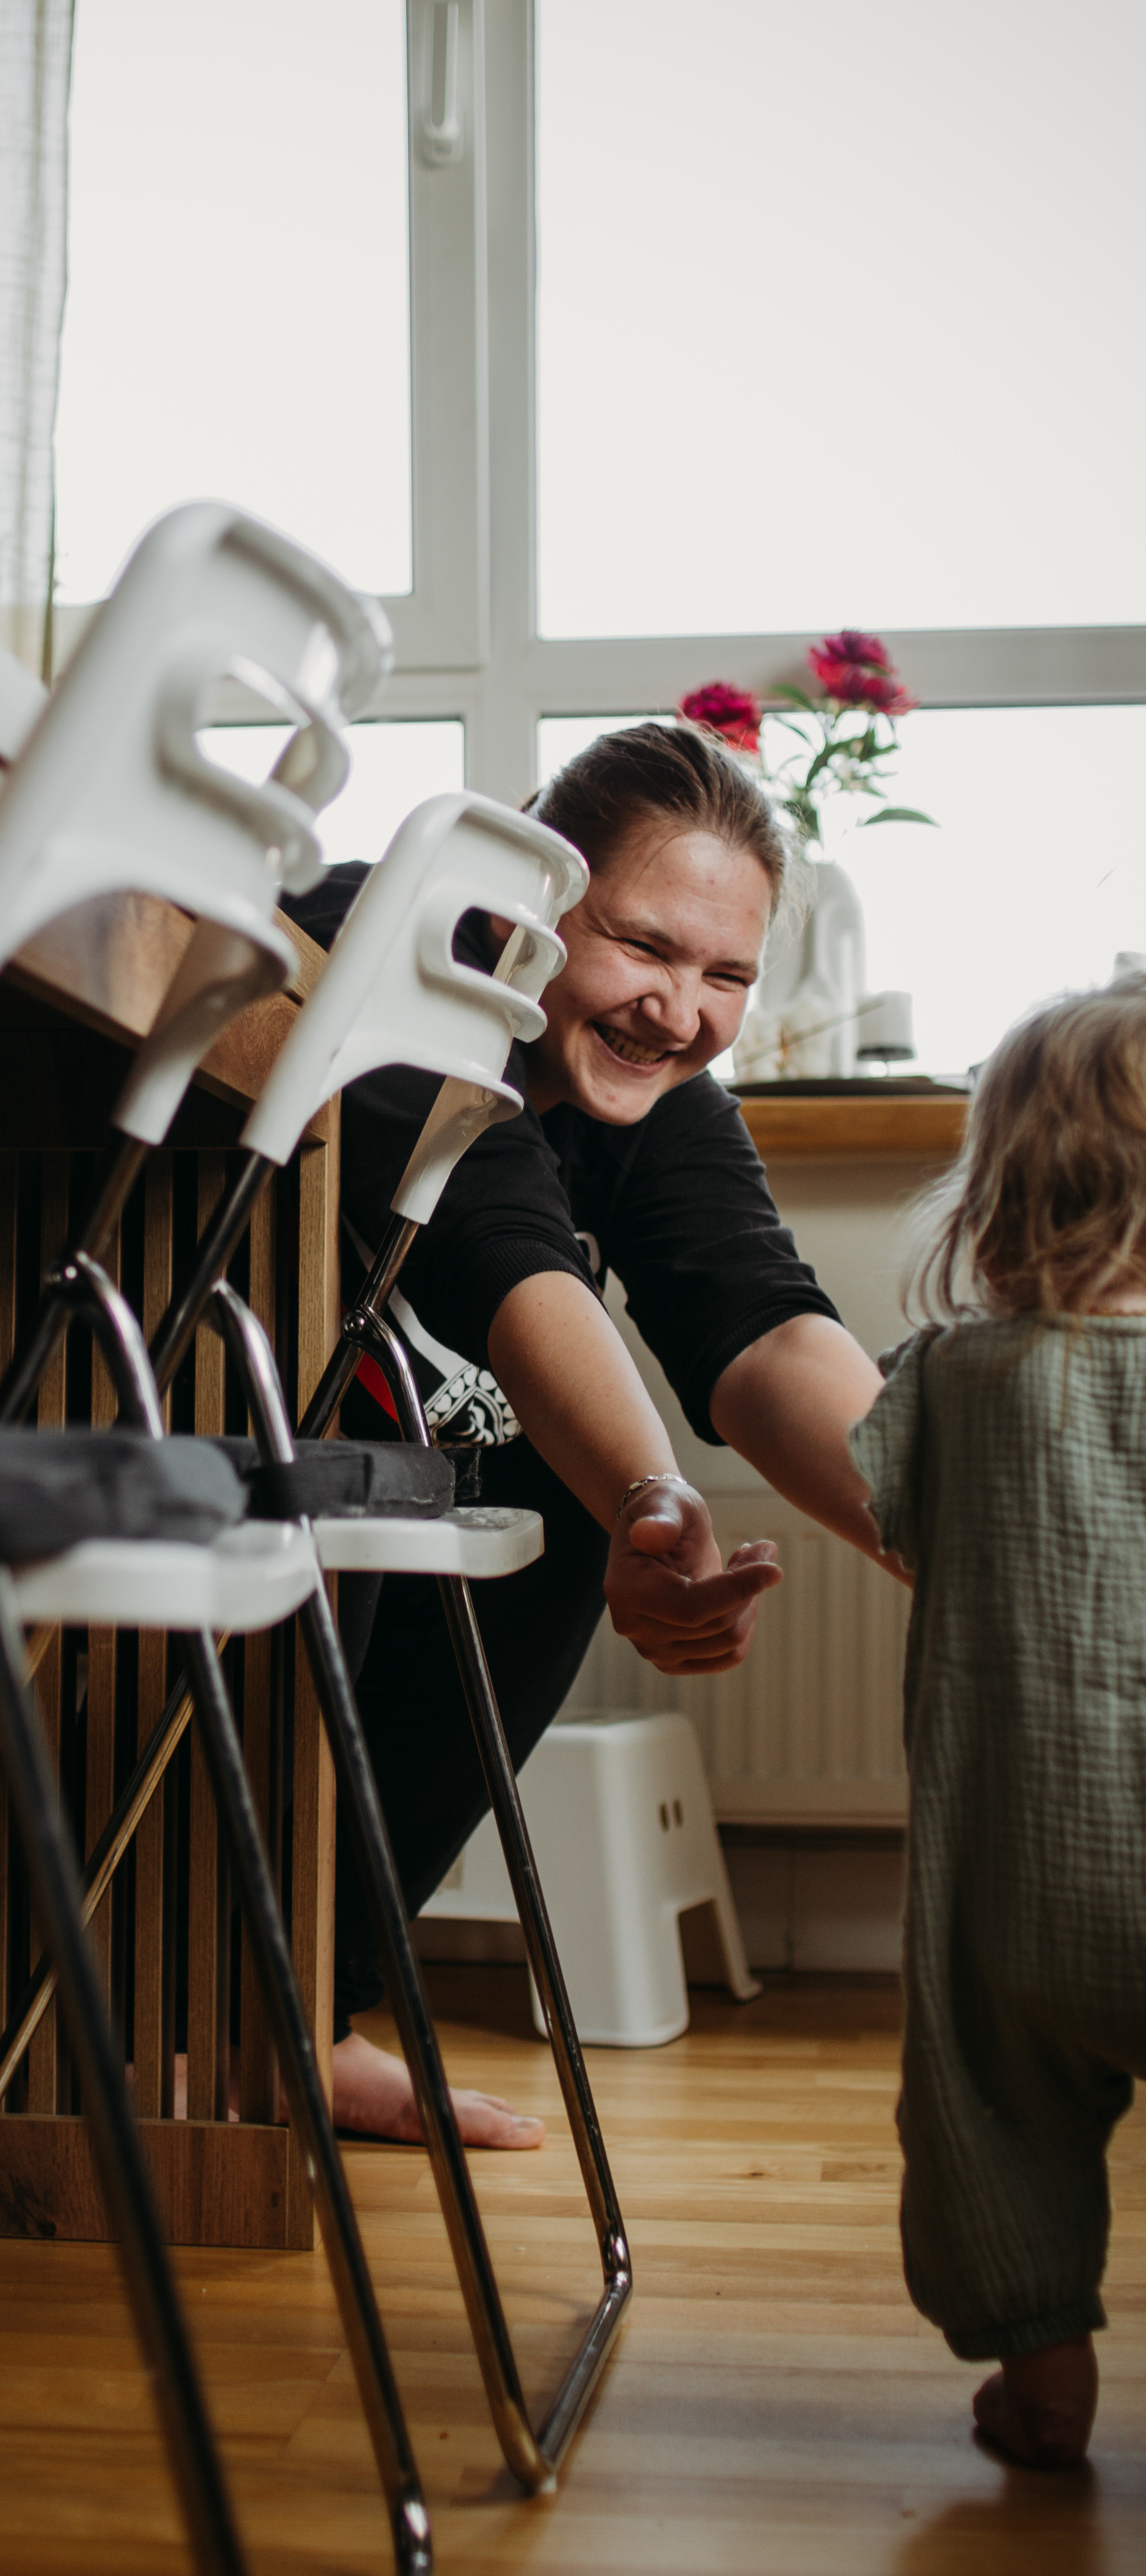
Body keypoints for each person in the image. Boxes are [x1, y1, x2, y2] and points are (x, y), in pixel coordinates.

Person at [284, 721, 894, 2147]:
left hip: (304, 1416)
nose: (679, 1012)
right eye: (640, 947)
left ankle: (307, 2008)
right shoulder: (409, 951)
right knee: (525, 1497)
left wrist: (954, 1531)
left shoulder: (646, 1081)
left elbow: (754, 1319)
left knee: (545, 1517)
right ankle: (236, 2012)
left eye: (725, 974)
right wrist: (645, 1500)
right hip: (126, 1395)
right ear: (530, 896)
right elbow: (511, 1259)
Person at [848, 978, 1146, 2471]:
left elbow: (884, 1516)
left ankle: (1043, 2385)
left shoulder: (957, 1377)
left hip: (1019, 1891)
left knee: (991, 2109)